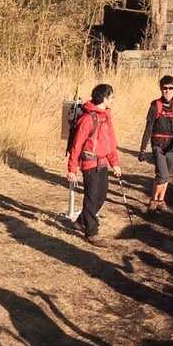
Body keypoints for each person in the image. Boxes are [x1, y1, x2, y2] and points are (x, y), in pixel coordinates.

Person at [66, 83, 121, 242]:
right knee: (91, 198)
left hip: (102, 163)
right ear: (104, 98)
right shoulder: (87, 119)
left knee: (101, 196)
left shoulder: (106, 116)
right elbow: (77, 145)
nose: (113, 100)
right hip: (90, 164)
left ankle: (81, 222)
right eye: (111, 97)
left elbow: (110, 142)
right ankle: (92, 232)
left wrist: (115, 163)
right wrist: (72, 169)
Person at [139, 74, 173, 211]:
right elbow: (148, 128)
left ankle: (160, 200)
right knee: (162, 174)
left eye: (170, 88)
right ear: (161, 89)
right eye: (165, 88)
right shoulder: (155, 106)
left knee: (165, 175)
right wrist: (142, 149)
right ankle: (154, 200)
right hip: (158, 145)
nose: (167, 91)